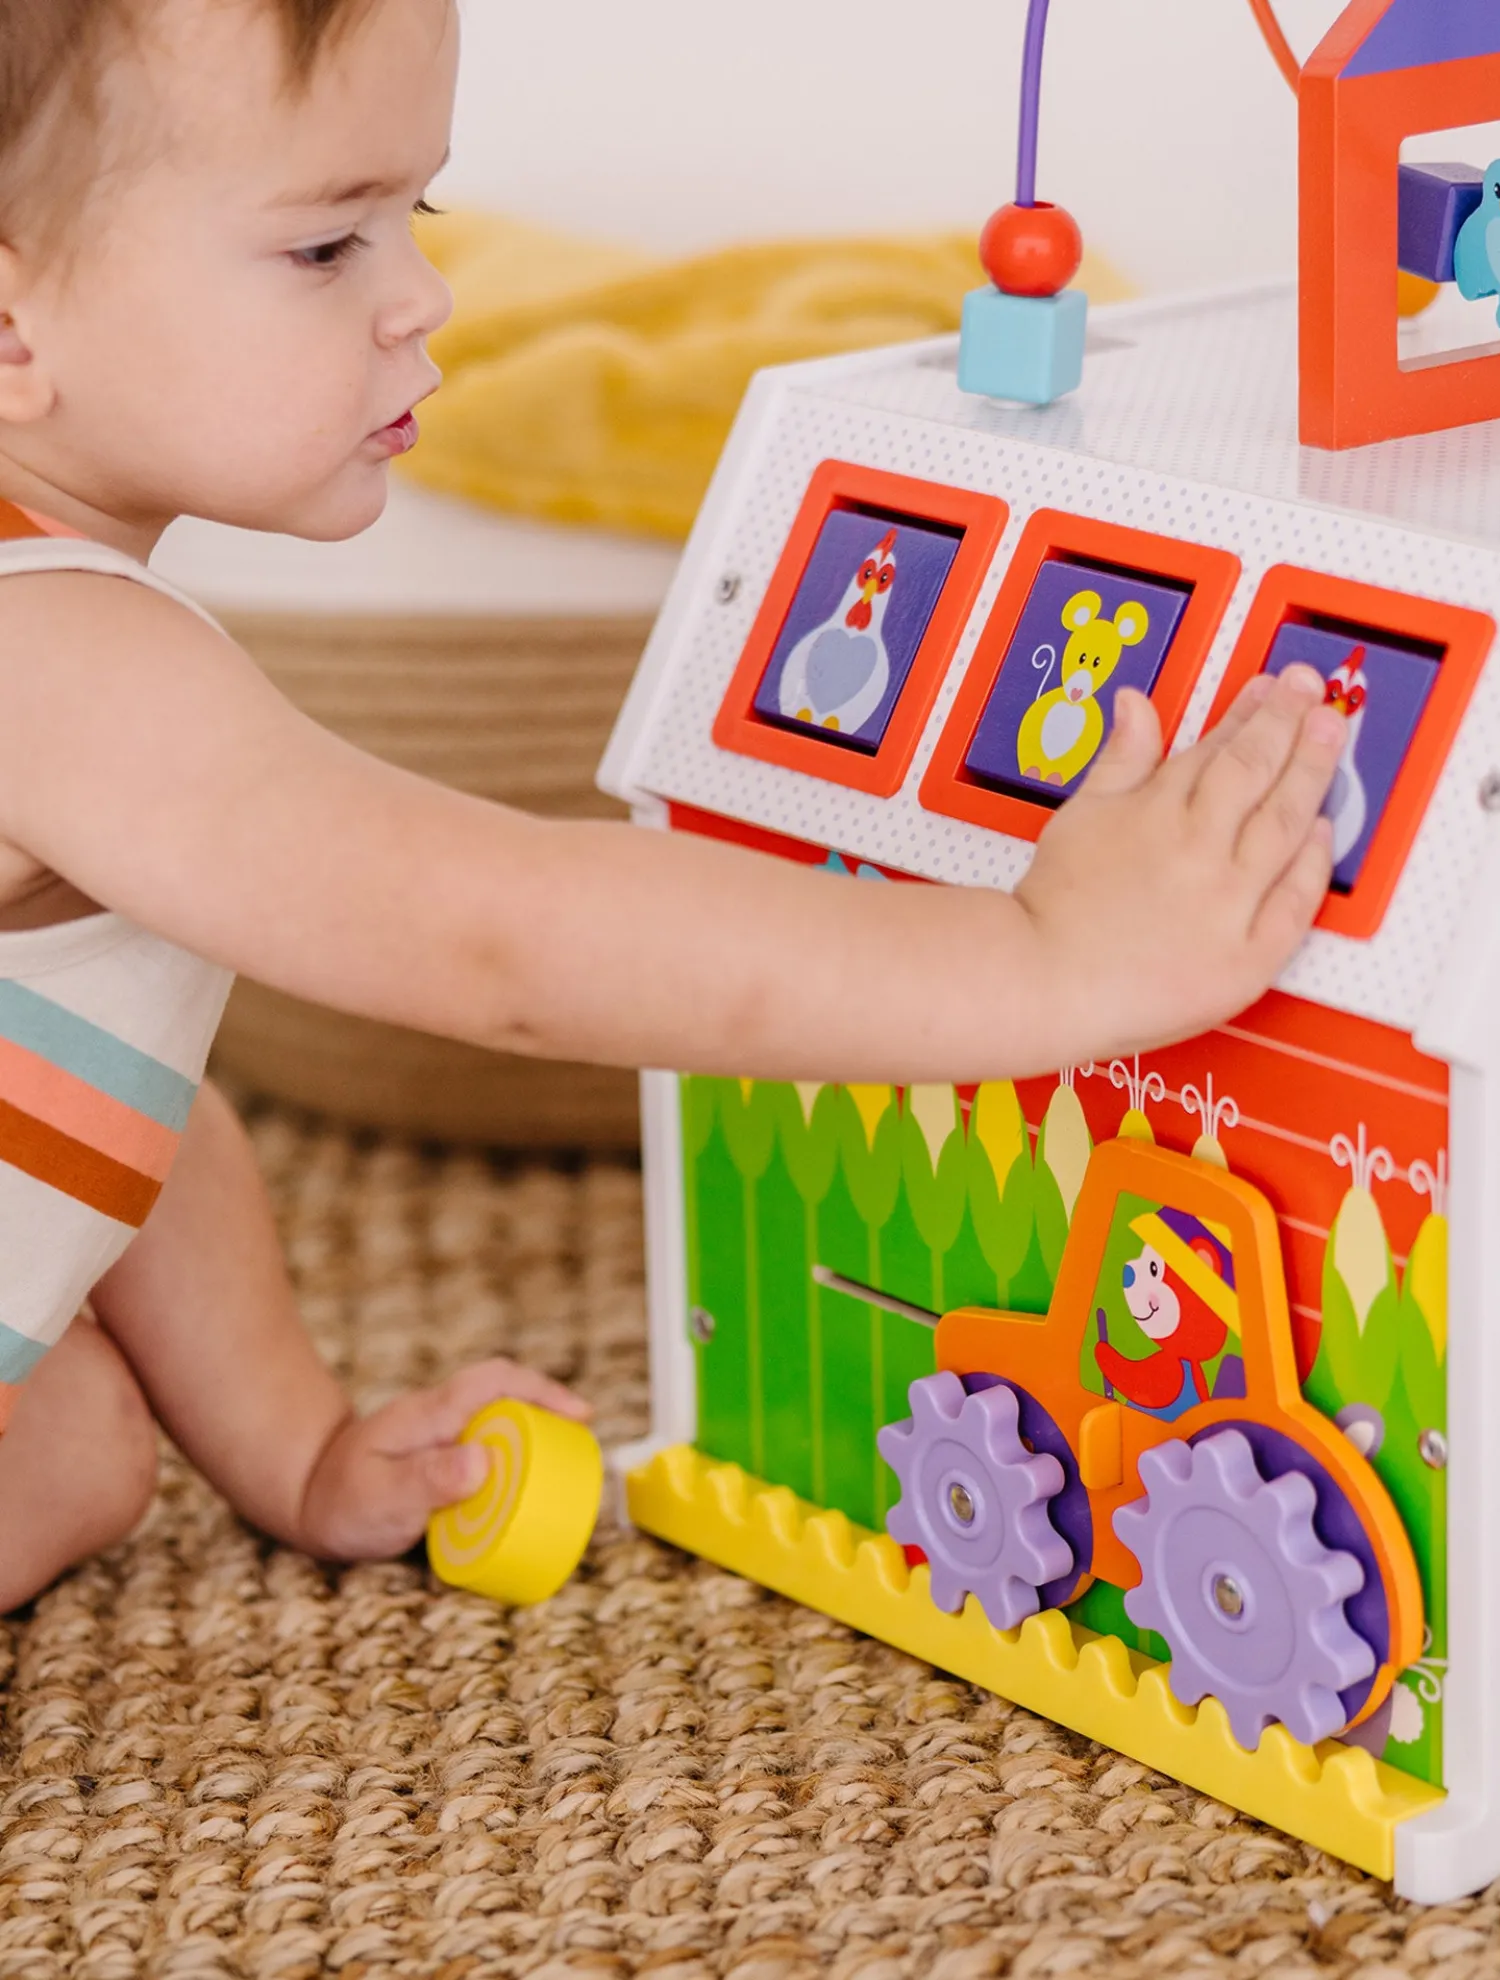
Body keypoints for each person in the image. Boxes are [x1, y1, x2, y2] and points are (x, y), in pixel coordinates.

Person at [0, 0, 1346, 1611]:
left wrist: (297, 1450)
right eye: (325, 246)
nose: (425, 295)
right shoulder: (55, 657)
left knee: (81, 1436)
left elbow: (131, 1098)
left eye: (416, 211)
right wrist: (1044, 958)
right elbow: (497, 943)